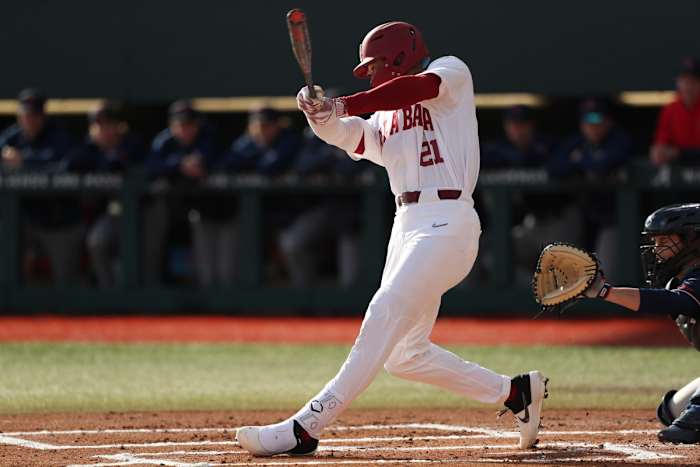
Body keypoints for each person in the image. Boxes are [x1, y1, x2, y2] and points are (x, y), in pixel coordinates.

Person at [236, 21, 548, 456]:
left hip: (448, 221)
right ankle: (515, 394)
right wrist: (321, 115)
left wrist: (344, 103)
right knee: (405, 355)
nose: (371, 73)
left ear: (400, 56)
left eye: (376, 64)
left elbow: (413, 89)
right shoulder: (384, 113)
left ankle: (308, 424)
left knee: (384, 310)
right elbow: (353, 137)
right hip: (407, 225)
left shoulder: (449, 72)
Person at [579, 203, 700, 444]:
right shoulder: (684, 279)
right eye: (655, 242)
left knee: (692, 420)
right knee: (670, 412)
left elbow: (677, 302)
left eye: (665, 242)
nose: (657, 250)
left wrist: (606, 292)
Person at [0, 88, 79, 285]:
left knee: (64, 284)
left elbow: (63, 162)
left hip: (59, 221)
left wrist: (24, 161)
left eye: (35, 115)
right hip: (26, 220)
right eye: (26, 115)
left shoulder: (58, 136)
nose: (30, 119)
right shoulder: (12, 137)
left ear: (43, 116)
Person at [550, 97, 632, 283]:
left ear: (608, 121)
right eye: (587, 122)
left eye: (597, 121)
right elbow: (553, 167)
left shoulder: (619, 139)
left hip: (614, 218)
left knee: (605, 278)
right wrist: (582, 162)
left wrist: (579, 160)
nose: (592, 126)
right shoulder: (577, 141)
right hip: (584, 217)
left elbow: (603, 165)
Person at [65, 101, 145, 287]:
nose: (104, 129)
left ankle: (143, 297)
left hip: (142, 211)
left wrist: (112, 155)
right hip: (110, 213)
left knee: (141, 251)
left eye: (108, 123)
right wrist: (98, 150)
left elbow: (123, 165)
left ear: (118, 125)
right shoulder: (88, 148)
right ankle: (108, 293)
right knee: (97, 242)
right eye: (99, 124)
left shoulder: (131, 143)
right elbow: (69, 165)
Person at [278, 127, 370, 287]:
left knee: (350, 277)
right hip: (325, 207)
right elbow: (302, 167)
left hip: (356, 213)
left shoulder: (360, 129)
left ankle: (347, 306)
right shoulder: (317, 134)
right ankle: (308, 301)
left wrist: (336, 162)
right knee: (292, 243)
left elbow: (351, 169)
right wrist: (332, 154)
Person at [148, 100, 226, 286]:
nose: (185, 130)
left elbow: (225, 162)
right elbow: (150, 167)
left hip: (219, 210)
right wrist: (179, 165)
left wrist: (203, 164)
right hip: (182, 210)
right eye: (180, 125)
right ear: (172, 125)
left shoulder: (210, 137)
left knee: (224, 273)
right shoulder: (164, 141)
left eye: (189, 125)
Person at [650, 57, 700, 167]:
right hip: (679, 172)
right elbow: (661, 142)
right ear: (678, 82)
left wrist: (679, 153)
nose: (688, 86)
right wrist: (659, 152)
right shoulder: (670, 110)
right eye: (684, 80)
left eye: (693, 81)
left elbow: (678, 153)